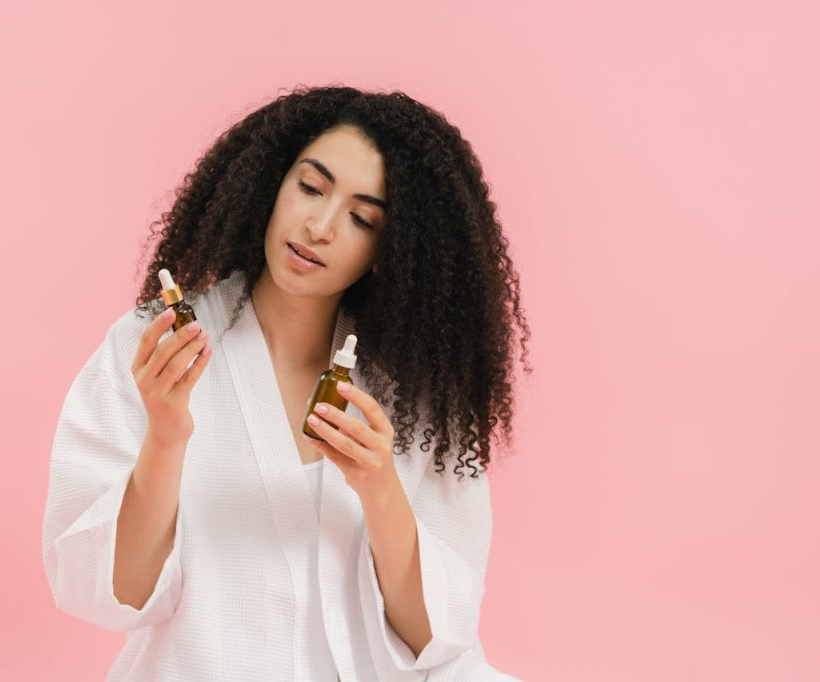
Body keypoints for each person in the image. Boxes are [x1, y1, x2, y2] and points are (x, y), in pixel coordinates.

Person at [42, 85, 531, 681]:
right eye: (309, 187)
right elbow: (110, 595)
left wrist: (379, 487)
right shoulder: (154, 345)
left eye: (361, 217)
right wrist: (165, 438)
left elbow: (436, 640)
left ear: (389, 250)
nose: (319, 226)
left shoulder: (416, 389)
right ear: (271, 183)